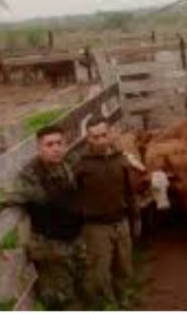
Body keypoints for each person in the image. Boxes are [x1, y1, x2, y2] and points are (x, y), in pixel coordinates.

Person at [0, 125, 85, 310]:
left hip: (73, 239)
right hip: (49, 246)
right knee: (59, 300)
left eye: (59, 143)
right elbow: (7, 195)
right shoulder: (31, 176)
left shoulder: (67, 165)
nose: (56, 148)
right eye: (49, 144)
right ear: (39, 148)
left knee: (80, 288)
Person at [73, 115, 137, 309]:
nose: (101, 140)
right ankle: (110, 305)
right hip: (96, 227)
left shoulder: (121, 159)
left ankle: (123, 298)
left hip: (121, 221)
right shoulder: (81, 165)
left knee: (124, 266)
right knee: (100, 271)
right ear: (88, 139)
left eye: (104, 135)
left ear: (111, 135)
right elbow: (72, 195)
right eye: (95, 137)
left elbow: (129, 190)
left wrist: (135, 218)